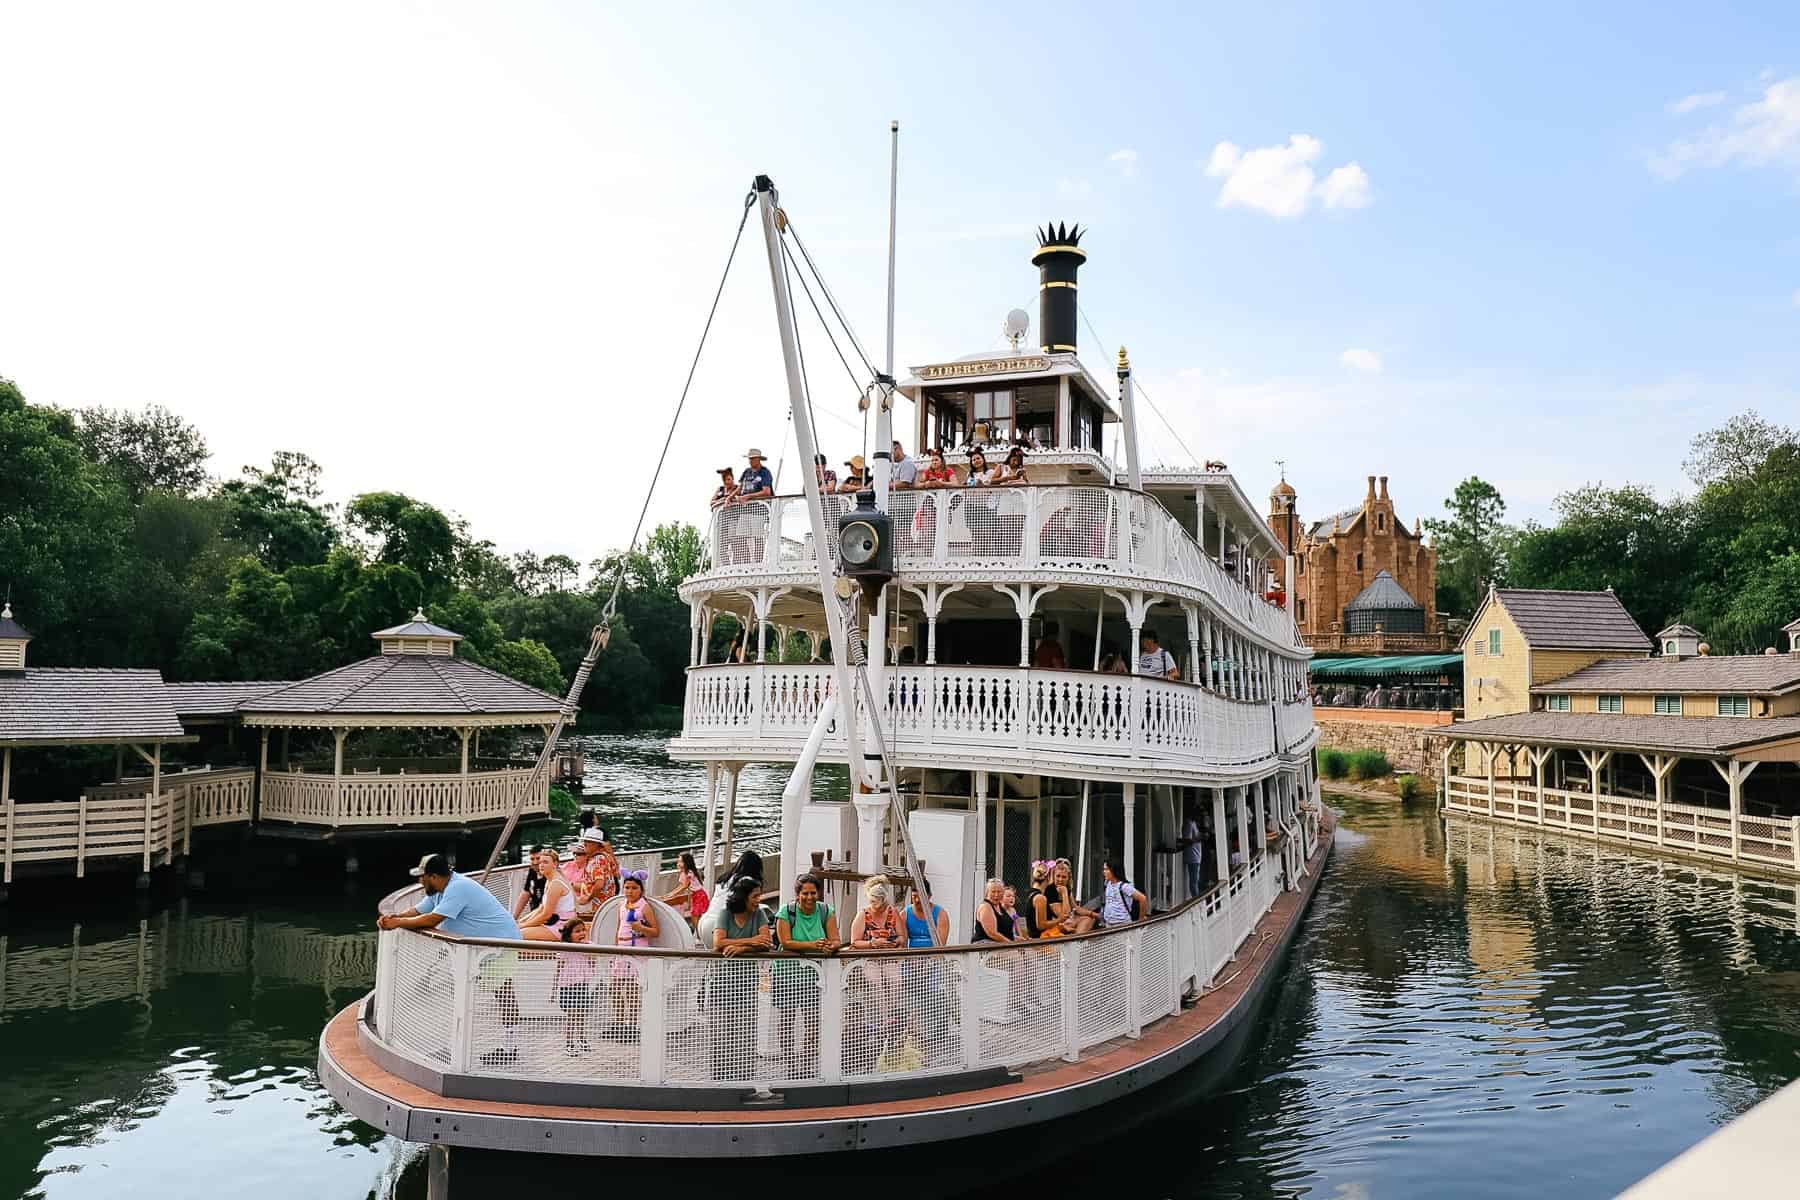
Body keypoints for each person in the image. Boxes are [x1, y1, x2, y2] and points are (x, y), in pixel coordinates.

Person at [377, 854, 522, 1065]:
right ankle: (457, 1045)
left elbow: (433, 919)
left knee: (504, 995)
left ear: (434, 877)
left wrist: (398, 924)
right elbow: (417, 911)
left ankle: (511, 1048)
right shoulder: (439, 890)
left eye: (422, 877)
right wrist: (394, 918)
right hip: (479, 949)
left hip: (501, 945)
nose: (419, 881)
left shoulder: (457, 888)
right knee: (466, 994)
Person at [773, 873, 839, 1076]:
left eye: (813, 893)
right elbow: (786, 941)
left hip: (813, 977)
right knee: (786, 1023)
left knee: (813, 1026)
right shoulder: (786, 912)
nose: (809, 897)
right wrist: (813, 945)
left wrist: (830, 947)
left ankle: (807, 1062)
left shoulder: (826, 911)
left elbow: (836, 939)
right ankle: (791, 1064)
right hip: (786, 975)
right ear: (797, 895)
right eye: (805, 893)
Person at [708, 876, 772, 1080]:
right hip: (722, 984)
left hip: (746, 983)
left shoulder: (760, 914)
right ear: (743, 897)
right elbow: (719, 942)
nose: (758, 899)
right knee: (721, 1033)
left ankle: (744, 1078)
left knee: (746, 1033)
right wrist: (752, 940)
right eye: (755, 896)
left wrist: (741, 947)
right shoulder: (726, 914)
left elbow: (767, 942)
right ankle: (720, 1078)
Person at [848, 877, 905, 1031]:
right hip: (869, 958)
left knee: (896, 980)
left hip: (888, 957)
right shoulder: (863, 914)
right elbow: (855, 941)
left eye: (878, 903)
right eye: (872, 902)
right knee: (876, 982)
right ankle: (884, 1019)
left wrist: (894, 942)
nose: (875, 906)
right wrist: (873, 943)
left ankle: (891, 1015)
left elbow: (902, 937)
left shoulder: (893, 912)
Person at [607, 869, 658, 1036]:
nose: (630, 891)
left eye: (634, 888)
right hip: (622, 949)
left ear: (641, 889)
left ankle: (633, 1023)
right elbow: (618, 928)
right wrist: (615, 949)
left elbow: (656, 931)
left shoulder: (644, 906)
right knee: (615, 987)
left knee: (631, 989)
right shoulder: (621, 905)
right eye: (627, 888)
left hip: (636, 949)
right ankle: (619, 1021)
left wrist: (641, 928)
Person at [698, 849, 764, 945]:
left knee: (713, 959)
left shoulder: (725, 878)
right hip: (719, 924)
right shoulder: (747, 881)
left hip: (705, 921)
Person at [517, 847, 576, 941]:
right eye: (540, 862)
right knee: (519, 928)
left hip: (563, 926)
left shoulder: (556, 884)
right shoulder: (550, 881)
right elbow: (541, 908)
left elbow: (546, 915)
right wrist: (521, 921)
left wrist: (523, 925)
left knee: (519, 934)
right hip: (553, 923)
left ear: (555, 864)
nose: (541, 865)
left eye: (545, 862)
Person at [556, 918, 597, 1055]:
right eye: (577, 931)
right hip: (568, 986)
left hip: (582, 985)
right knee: (572, 1015)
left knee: (581, 1014)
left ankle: (582, 1039)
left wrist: (584, 945)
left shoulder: (589, 945)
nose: (581, 933)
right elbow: (559, 967)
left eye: (583, 930)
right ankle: (569, 1043)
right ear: (569, 935)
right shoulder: (565, 948)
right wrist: (554, 987)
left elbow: (593, 956)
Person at [662, 850, 708, 930]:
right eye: (678, 861)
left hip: (698, 896)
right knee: (697, 916)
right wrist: (671, 893)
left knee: (694, 916)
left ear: (687, 863)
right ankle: (699, 934)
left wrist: (672, 894)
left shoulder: (687, 873)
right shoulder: (688, 872)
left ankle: (698, 936)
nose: (678, 864)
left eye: (681, 862)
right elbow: (681, 886)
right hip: (699, 895)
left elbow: (684, 886)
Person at [1052, 859, 1099, 934]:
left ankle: (1077, 940)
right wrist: (1064, 893)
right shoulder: (1050, 890)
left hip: (1067, 921)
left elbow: (1076, 908)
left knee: (1090, 918)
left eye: (1064, 877)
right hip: (1055, 923)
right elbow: (1065, 915)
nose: (1060, 879)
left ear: (1068, 878)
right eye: (1058, 876)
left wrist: (1094, 914)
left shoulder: (1067, 889)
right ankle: (1076, 940)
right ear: (1053, 876)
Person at [1098, 859, 1148, 926]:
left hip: (1122, 925)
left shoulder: (1124, 886)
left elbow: (1143, 898)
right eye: (1104, 869)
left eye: (1107, 869)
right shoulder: (1107, 883)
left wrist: (1141, 919)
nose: (1104, 872)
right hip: (1108, 924)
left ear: (1114, 871)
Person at [1178, 806, 1206, 900]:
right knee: (1194, 883)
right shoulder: (1189, 823)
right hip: (1192, 857)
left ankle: (1196, 900)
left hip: (1196, 856)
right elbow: (1187, 840)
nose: (1200, 817)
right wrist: (1199, 838)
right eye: (1199, 815)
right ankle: (1197, 902)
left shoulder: (1194, 823)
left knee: (1195, 881)